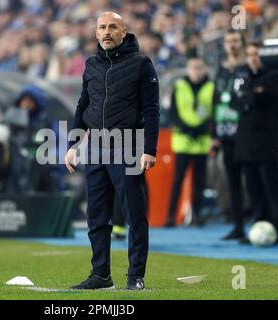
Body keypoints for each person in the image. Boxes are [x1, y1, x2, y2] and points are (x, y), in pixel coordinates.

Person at [64, 12, 159, 290]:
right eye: (102, 27)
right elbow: (83, 106)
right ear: (96, 33)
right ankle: (101, 275)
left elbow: (152, 110)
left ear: (123, 31)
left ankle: (135, 276)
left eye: (112, 27)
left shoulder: (142, 64)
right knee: (96, 215)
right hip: (95, 149)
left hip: (128, 146)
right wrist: (73, 144)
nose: (107, 31)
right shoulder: (91, 64)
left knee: (134, 215)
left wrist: (149, 149)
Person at [232, 42, 278, 245]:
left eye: (256, 54)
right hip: (246, 144)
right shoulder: (243, 76)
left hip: (267, 142)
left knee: (272, 189)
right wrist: (253, 93)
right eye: (250, 54)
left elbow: (260, 98)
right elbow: (235, 101)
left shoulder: (274, 76)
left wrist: (250, 95)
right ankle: (260, 226)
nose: (253, 58)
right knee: (254, 190)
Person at [166, 56, 214, 228]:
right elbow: (173, 113)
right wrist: (187, 128)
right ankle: (171, 216)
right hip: (183, 141)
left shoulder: (211, 87)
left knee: (199, 182)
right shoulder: (179, 87)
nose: (197, 71)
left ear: (205, 69)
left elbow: (213, 112)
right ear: (187, 69)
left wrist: (201, 129)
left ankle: (196, 216)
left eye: (200, 67)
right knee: (177, 180)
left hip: (202, 141)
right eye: (193, 67)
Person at [211, 29, 249, 240]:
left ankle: (262, 221)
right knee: (233, 182)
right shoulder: (222, 70)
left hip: (245, 133)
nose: (232, 45)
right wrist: (214, 133)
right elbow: (216, 101)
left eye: (235, 41)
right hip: (225, 133)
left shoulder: (247, 68)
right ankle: (238, 226)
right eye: (228, 41)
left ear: (242, 44)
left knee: (251, 181)